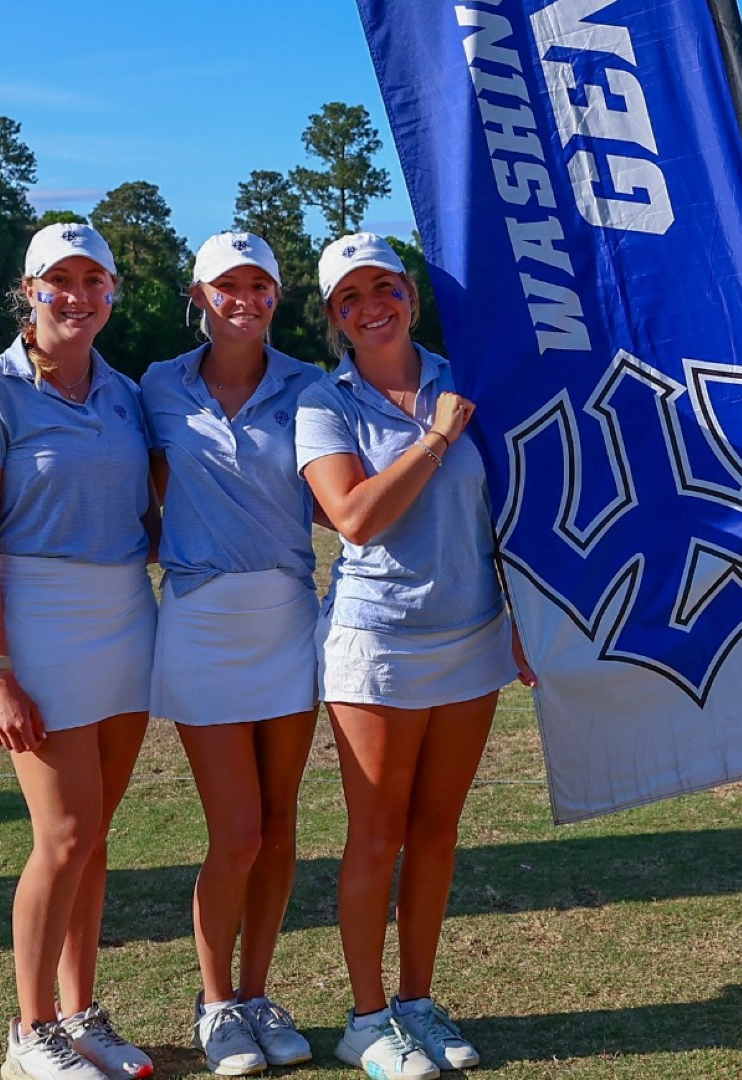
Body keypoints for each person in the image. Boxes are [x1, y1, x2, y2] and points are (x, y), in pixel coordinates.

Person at [295, 233, 534, 1080]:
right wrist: (432, 440)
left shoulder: (464, 376)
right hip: (378, 642)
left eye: (385, 287)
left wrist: (521, 614)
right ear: (334, 318)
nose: (373, 306)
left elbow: (506, 503)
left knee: (437, 833)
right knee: (377, 836)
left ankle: (420, 1003)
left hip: (472, 637)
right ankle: (366, 1018)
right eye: (351, 297)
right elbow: (356, 516)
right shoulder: (326, 403)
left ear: (411, 295)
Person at [0, 223, 157, 1080]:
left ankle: (80, 1012)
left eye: (92, 279)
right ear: (28, 291)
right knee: (63, 835)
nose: (76, 294)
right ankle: (30, 1031)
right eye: (56, 280)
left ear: (111, 292)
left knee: (95, 836)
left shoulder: (125, 393)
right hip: (35, 623)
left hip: (124, 618)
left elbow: (145, 518)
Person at [141, 231, 326, 1076]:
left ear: (276, 296)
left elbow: (336, 497)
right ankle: (215, 1004)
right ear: (199, 293)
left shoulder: (311, 387)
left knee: (281, 828)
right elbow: (138, 487)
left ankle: (256, 996)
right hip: (202, 621)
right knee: (239, 833)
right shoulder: (157, 386)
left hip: (286, 616)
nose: (242, 298)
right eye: (226, 285)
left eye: (258, 284)